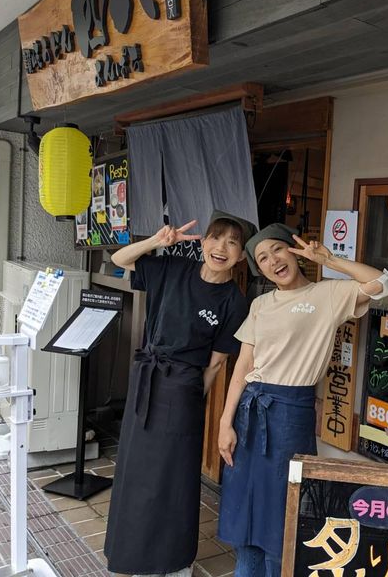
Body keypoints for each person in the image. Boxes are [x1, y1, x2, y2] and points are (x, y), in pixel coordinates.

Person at [217, 223, 388, 576]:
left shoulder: (326, 295)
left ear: (294, 251)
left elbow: (382, 283)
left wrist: (330, 260)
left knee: (283, 515)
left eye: (277, 250)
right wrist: (225, 423)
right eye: (262, 258)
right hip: (250, 413)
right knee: (245, 515)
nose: (273, 261)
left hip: (290, 415)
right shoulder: (260, 304)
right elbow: (243, 368)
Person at [104, 210, 257, 577]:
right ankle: (127, 553)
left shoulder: (235, 302)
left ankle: (171, 562)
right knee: (135, 471)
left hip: (184, 389)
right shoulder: (173, 268)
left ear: (240, 257)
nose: (221, 248)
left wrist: (191, 402)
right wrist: (155, 242)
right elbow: (119, 259)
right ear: (203, 242)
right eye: (216, 238)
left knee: (171, 478)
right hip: (147, 379)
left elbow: (216, 364)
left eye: (232, 243)